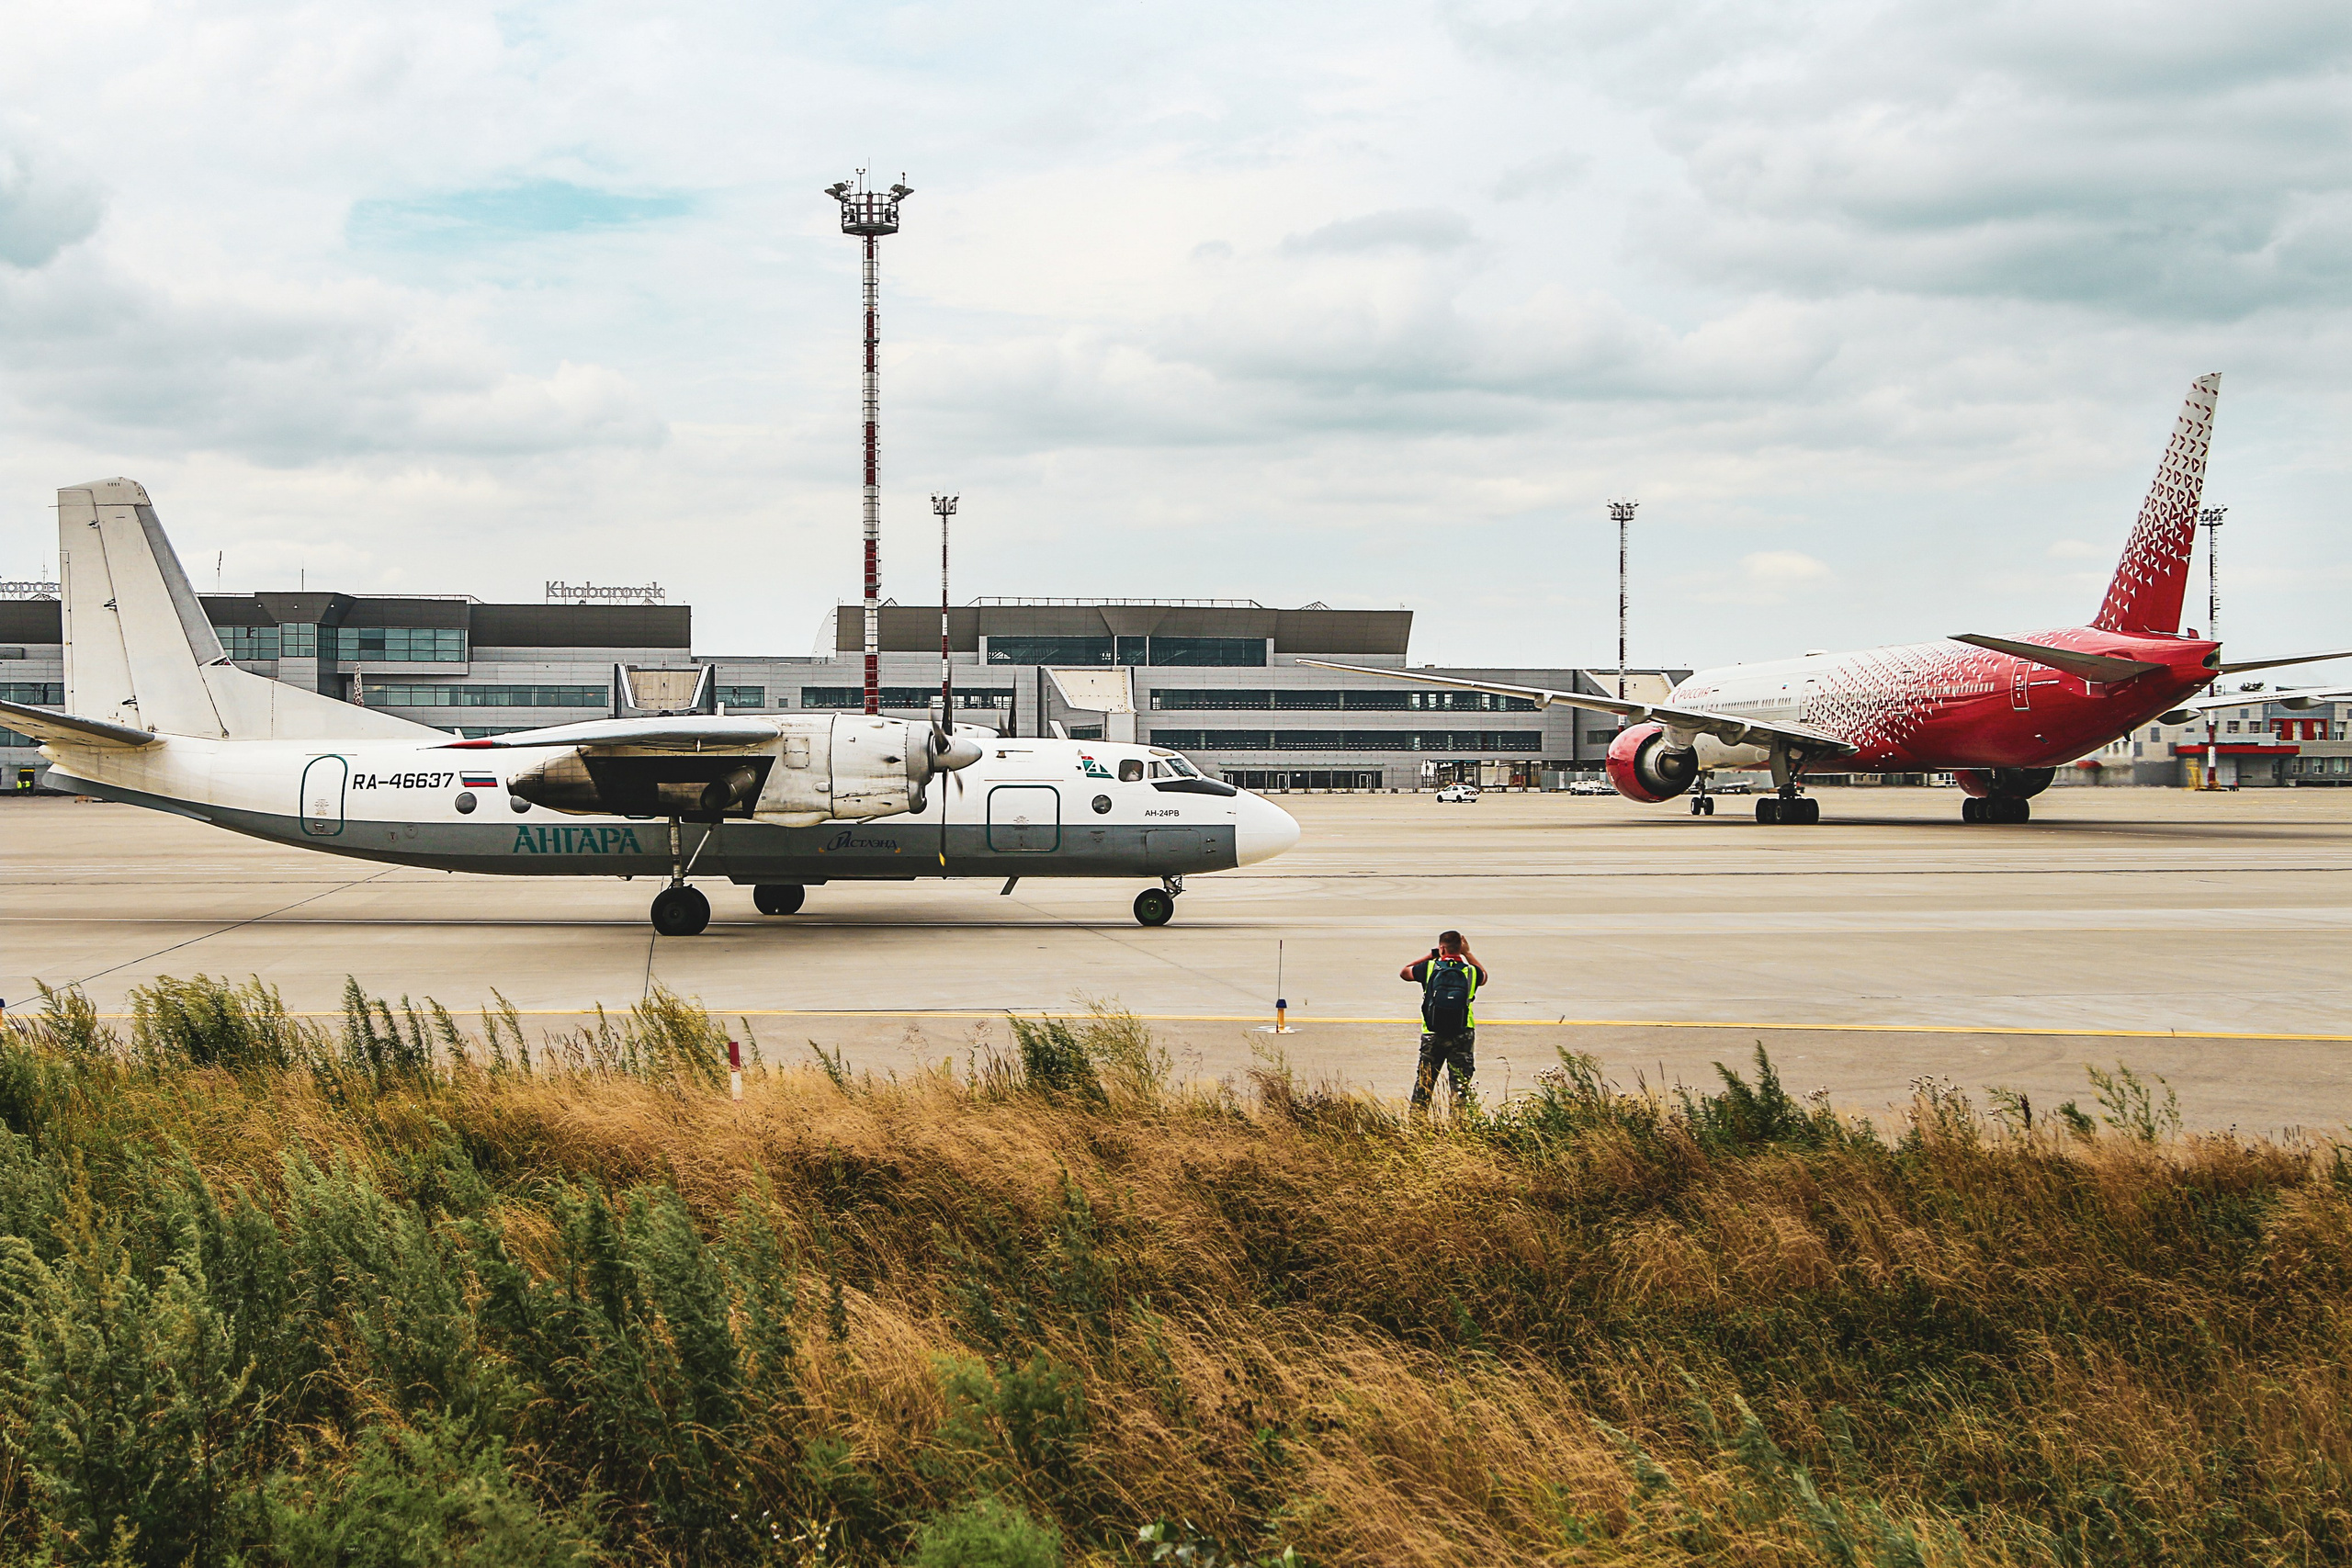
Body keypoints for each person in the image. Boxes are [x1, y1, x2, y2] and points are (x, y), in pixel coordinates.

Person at [1401, 930, 1487, 1113]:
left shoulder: (1430, 968)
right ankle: (1459, 1130)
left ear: (1441, 948)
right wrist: (1468, 954)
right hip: (1462, 1033)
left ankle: (1416, 1127)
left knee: (1424, 1086)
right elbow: (1484, 976)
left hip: (1433, 1033)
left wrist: (1431, 955)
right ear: (1460, 948)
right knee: (1460, 1088)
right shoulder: (1471, 972)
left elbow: (1404, 972)